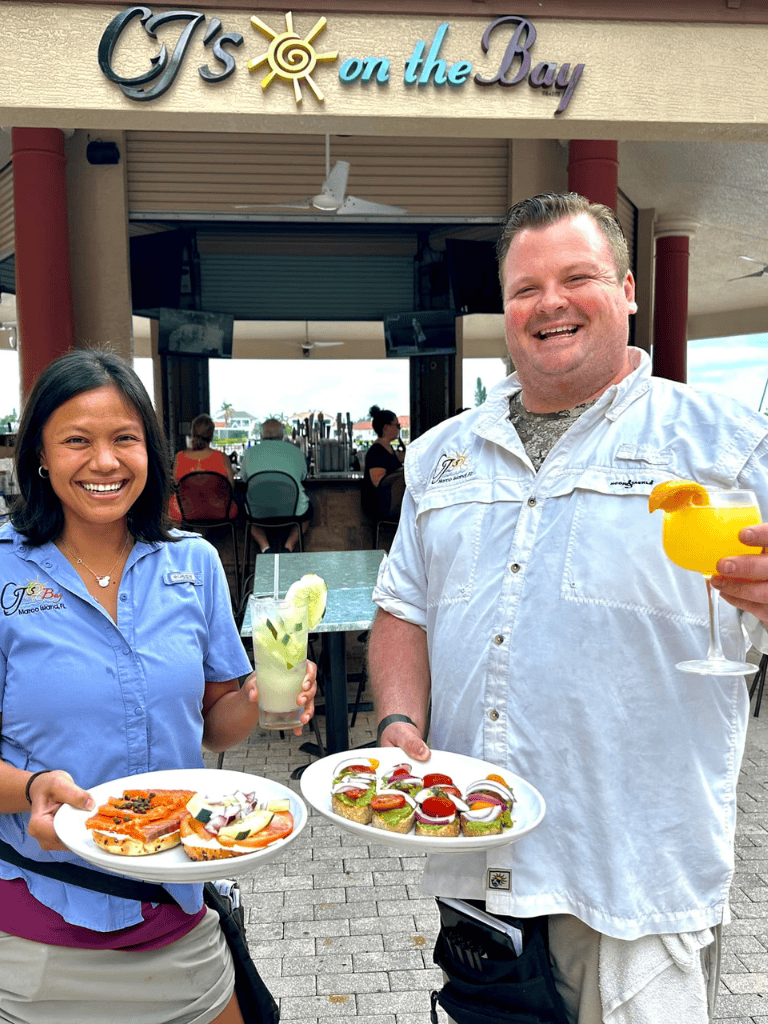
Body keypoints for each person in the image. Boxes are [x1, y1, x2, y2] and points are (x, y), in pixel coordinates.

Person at [368, 192, 768, 1024]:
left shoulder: (725, 443)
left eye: (577, 277)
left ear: (626, 289)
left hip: (632, 879)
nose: (549, 303)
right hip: (478, 859)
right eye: (525, 288)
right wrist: (399, 722)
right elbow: (403, 605)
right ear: (504, 310)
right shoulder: (441, 454)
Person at [0, 350, 317, 1024]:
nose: (105, 462)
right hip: (39, 922)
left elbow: (216, 725)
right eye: (77, 441)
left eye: (125, 439)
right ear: (40, 457)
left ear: (152, 452)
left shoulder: (192, 563)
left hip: (174, 895)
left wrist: (260, 695)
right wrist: (30, 789)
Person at [240, 418, 312, 554]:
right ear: (282, 435)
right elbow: (303, 476)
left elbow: (244, 479)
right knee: (308, 513)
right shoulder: (296, 451)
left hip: (257, 510)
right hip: (292, 510)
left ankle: (265, 547)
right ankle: (288, 547)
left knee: (243, 514)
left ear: (261, 435)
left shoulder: (249, 453)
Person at [168, 413, 237, 522]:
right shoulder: (222, 457)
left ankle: (195, 533)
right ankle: (202, 534)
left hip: (184, 511)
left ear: (192, 433)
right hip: (219, 510)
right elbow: (230, 488)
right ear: (212, 435)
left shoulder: (179, 457)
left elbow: (177, 485)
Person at [361, 405, 405, 522]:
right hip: (381, 506)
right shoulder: (377, 452)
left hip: (391, 503)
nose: (399, 429)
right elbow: (379, 482)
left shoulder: (388, 449)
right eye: (397, 425)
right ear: (386, 428)